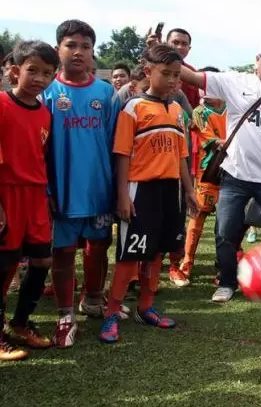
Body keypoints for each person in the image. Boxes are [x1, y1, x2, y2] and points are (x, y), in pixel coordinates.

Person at [180, 44, 261, 303]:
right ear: (257, 59)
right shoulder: (233, 81)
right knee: (226, 230)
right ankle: (227, 282)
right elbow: (191, 77)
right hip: (234, 176)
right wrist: (166, 51)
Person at [102, 44, 197, 343]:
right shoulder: (134, 108)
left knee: (156, 252)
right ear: (148, 72)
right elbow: (122, 155)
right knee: (130, 255)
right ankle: (111, 313)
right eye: (166, 74)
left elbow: (182, 156)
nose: (172, 81)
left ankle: (146, 307)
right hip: (140, 190)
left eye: (177, 76)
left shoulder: (178, 110)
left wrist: (190, 191)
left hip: (171, 191)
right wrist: (122, 196)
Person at [42, 20, 124, 347]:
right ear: (58, 48)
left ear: (93, 52)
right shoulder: (48, 91)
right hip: (61, 191)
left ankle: (92, 298)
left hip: (99, 190)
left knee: (98, 246)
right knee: (61, 252)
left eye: (85, 47)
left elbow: (116, 146)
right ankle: (64, 315)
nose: (78, 52)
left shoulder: (105, 93)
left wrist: (117, 190)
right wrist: (46, 189)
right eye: (71, 45)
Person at [0, 41, 58, 360]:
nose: (39, 78)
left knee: (41, 261)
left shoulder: (45, 113)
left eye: (47, 73)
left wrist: (47, 195)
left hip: (36, 196)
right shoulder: (1, 103)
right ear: (14, 71)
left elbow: (41, 157)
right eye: (32, 70)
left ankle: (21, 323)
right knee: (4, 266)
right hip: (7, 193)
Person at [174, 67, 227, 287]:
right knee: (197, 219)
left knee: (227, 224)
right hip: (208, 171)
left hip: (233, 171)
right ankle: (187, 263)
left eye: (209, 86)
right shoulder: (199, 112)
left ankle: (223, 268)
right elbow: (210, 139)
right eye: (202, 87)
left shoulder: (233, 109)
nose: (204, 91)